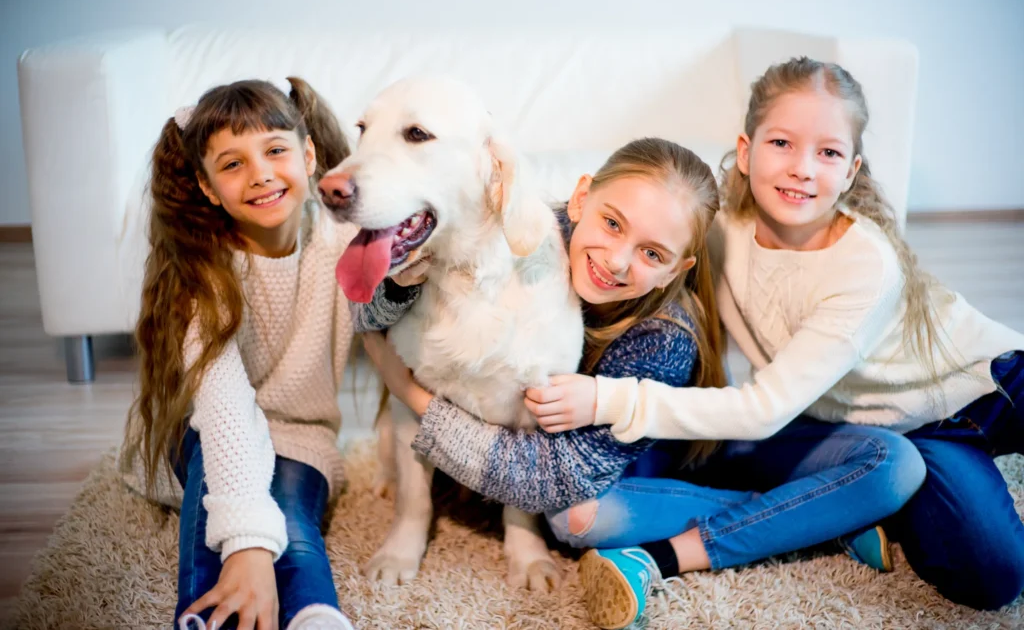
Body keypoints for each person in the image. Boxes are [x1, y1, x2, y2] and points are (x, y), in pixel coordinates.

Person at [519, 57, 1024, 616]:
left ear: (852, 170)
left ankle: (663, 557)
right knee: (580, 515)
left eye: (828, 152)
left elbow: (760, 412)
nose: (803, 168)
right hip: (855, 428)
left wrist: (605, 400)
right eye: (782, 142)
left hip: (987, 388)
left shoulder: (865, 266)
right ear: (745, 150)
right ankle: (826, 515)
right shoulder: (716, 230)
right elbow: (618, 218)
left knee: (994, 576)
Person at [358, 136, 924, 629]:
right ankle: (811, 515)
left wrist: (410, 394)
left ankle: (799, 517)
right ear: (580, 198)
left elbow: (553, 480)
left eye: (652, 252)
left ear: (679, 267)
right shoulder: (528, 236)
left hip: (649, 461)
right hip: (616, 458)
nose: (618, 260)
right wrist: (394, 300)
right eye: (610, 223)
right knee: (574, 510)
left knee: (575, 517)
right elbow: (378, 296)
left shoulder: (663, 336)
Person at [121, 77, 357, 630]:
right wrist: (247, 546)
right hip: (201, 431)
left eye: (276, 150)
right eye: (232, 164)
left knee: (293, 523)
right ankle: (209, 618)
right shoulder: (201, 271)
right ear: (206, 187)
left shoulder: (342, 240)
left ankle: (316, 618)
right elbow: (223, 407)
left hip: (300, 431)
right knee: (222, 531)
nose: (261, 174)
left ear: (309, 154)